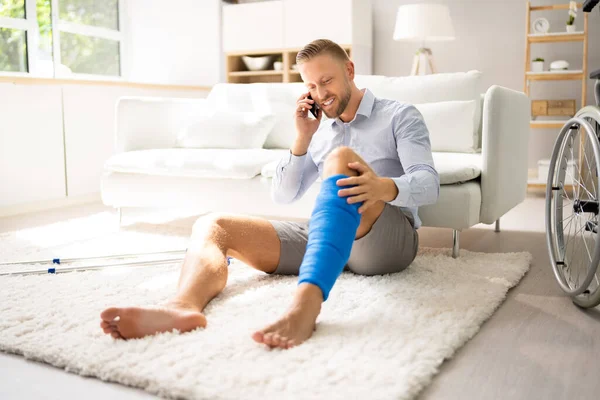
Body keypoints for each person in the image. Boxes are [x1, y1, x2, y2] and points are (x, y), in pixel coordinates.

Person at [99, 39, 439, 350]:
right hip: (328, 237)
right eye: (311, 85)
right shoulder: (318, 130)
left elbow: (428, 183)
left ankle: (304, 308)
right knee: (214, 224)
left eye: (327, 81)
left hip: (385, 240)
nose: (320, 93)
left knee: (341, 159)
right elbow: (283, 194)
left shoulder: (400, 116)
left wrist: (382, 187)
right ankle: (180, 308)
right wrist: (303, 138)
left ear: (349, 70)